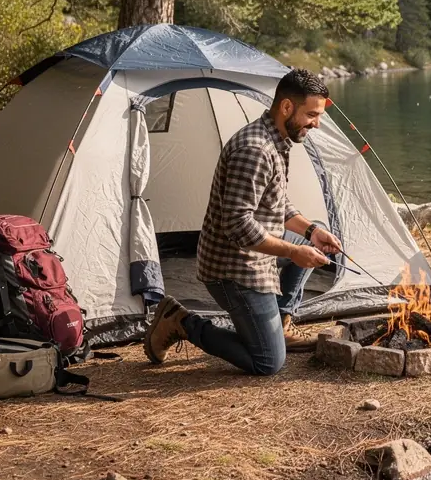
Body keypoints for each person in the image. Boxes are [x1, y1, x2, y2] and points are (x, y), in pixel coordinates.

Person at [143, 68, 342, 375]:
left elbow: (277, 204)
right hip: (233, 269)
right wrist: (292, 253)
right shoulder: (255, 150)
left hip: (255, 253)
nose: (316, 123)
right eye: (312, 115)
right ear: (287, 107)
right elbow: (238, 225)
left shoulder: (277, 139)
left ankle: (281, 322)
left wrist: (312, 231)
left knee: (309, 240)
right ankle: (181, 321)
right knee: (267, 362)